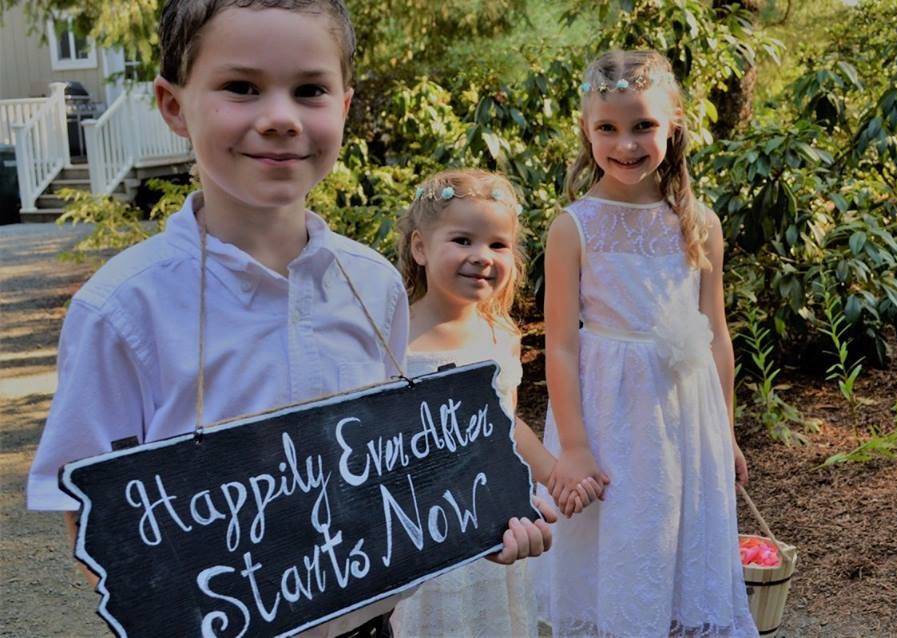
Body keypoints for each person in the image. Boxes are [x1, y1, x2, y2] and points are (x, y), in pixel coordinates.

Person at [26, 2, 554, 636]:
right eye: (241, 88)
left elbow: (392, 458)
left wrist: (472, 518)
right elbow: (94, 514)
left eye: (309, 91)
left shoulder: (372, 285)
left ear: (344, 106)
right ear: (173, 105)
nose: (279, 118)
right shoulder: (122, 309)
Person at [535, 49, 758, 637]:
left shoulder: (698, 223)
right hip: (607, 419)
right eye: (607, 127)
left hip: (685, 420)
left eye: (643, 126)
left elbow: (715, 336)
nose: (625, 143)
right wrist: (575, 447)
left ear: (674, 122)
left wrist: (726, 435)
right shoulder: (574, 226)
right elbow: (559, 345)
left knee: (675, 544)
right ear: (586, 129)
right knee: (620, 543)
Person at [389, 170, 604, 637]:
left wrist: (552, 474)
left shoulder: (498, 335)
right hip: (420, 528)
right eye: (462, 240)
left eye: (498, 245)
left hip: (492, 524)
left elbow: (504, 422)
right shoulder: (392, 337)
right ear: (420, 247)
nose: (481, 257)